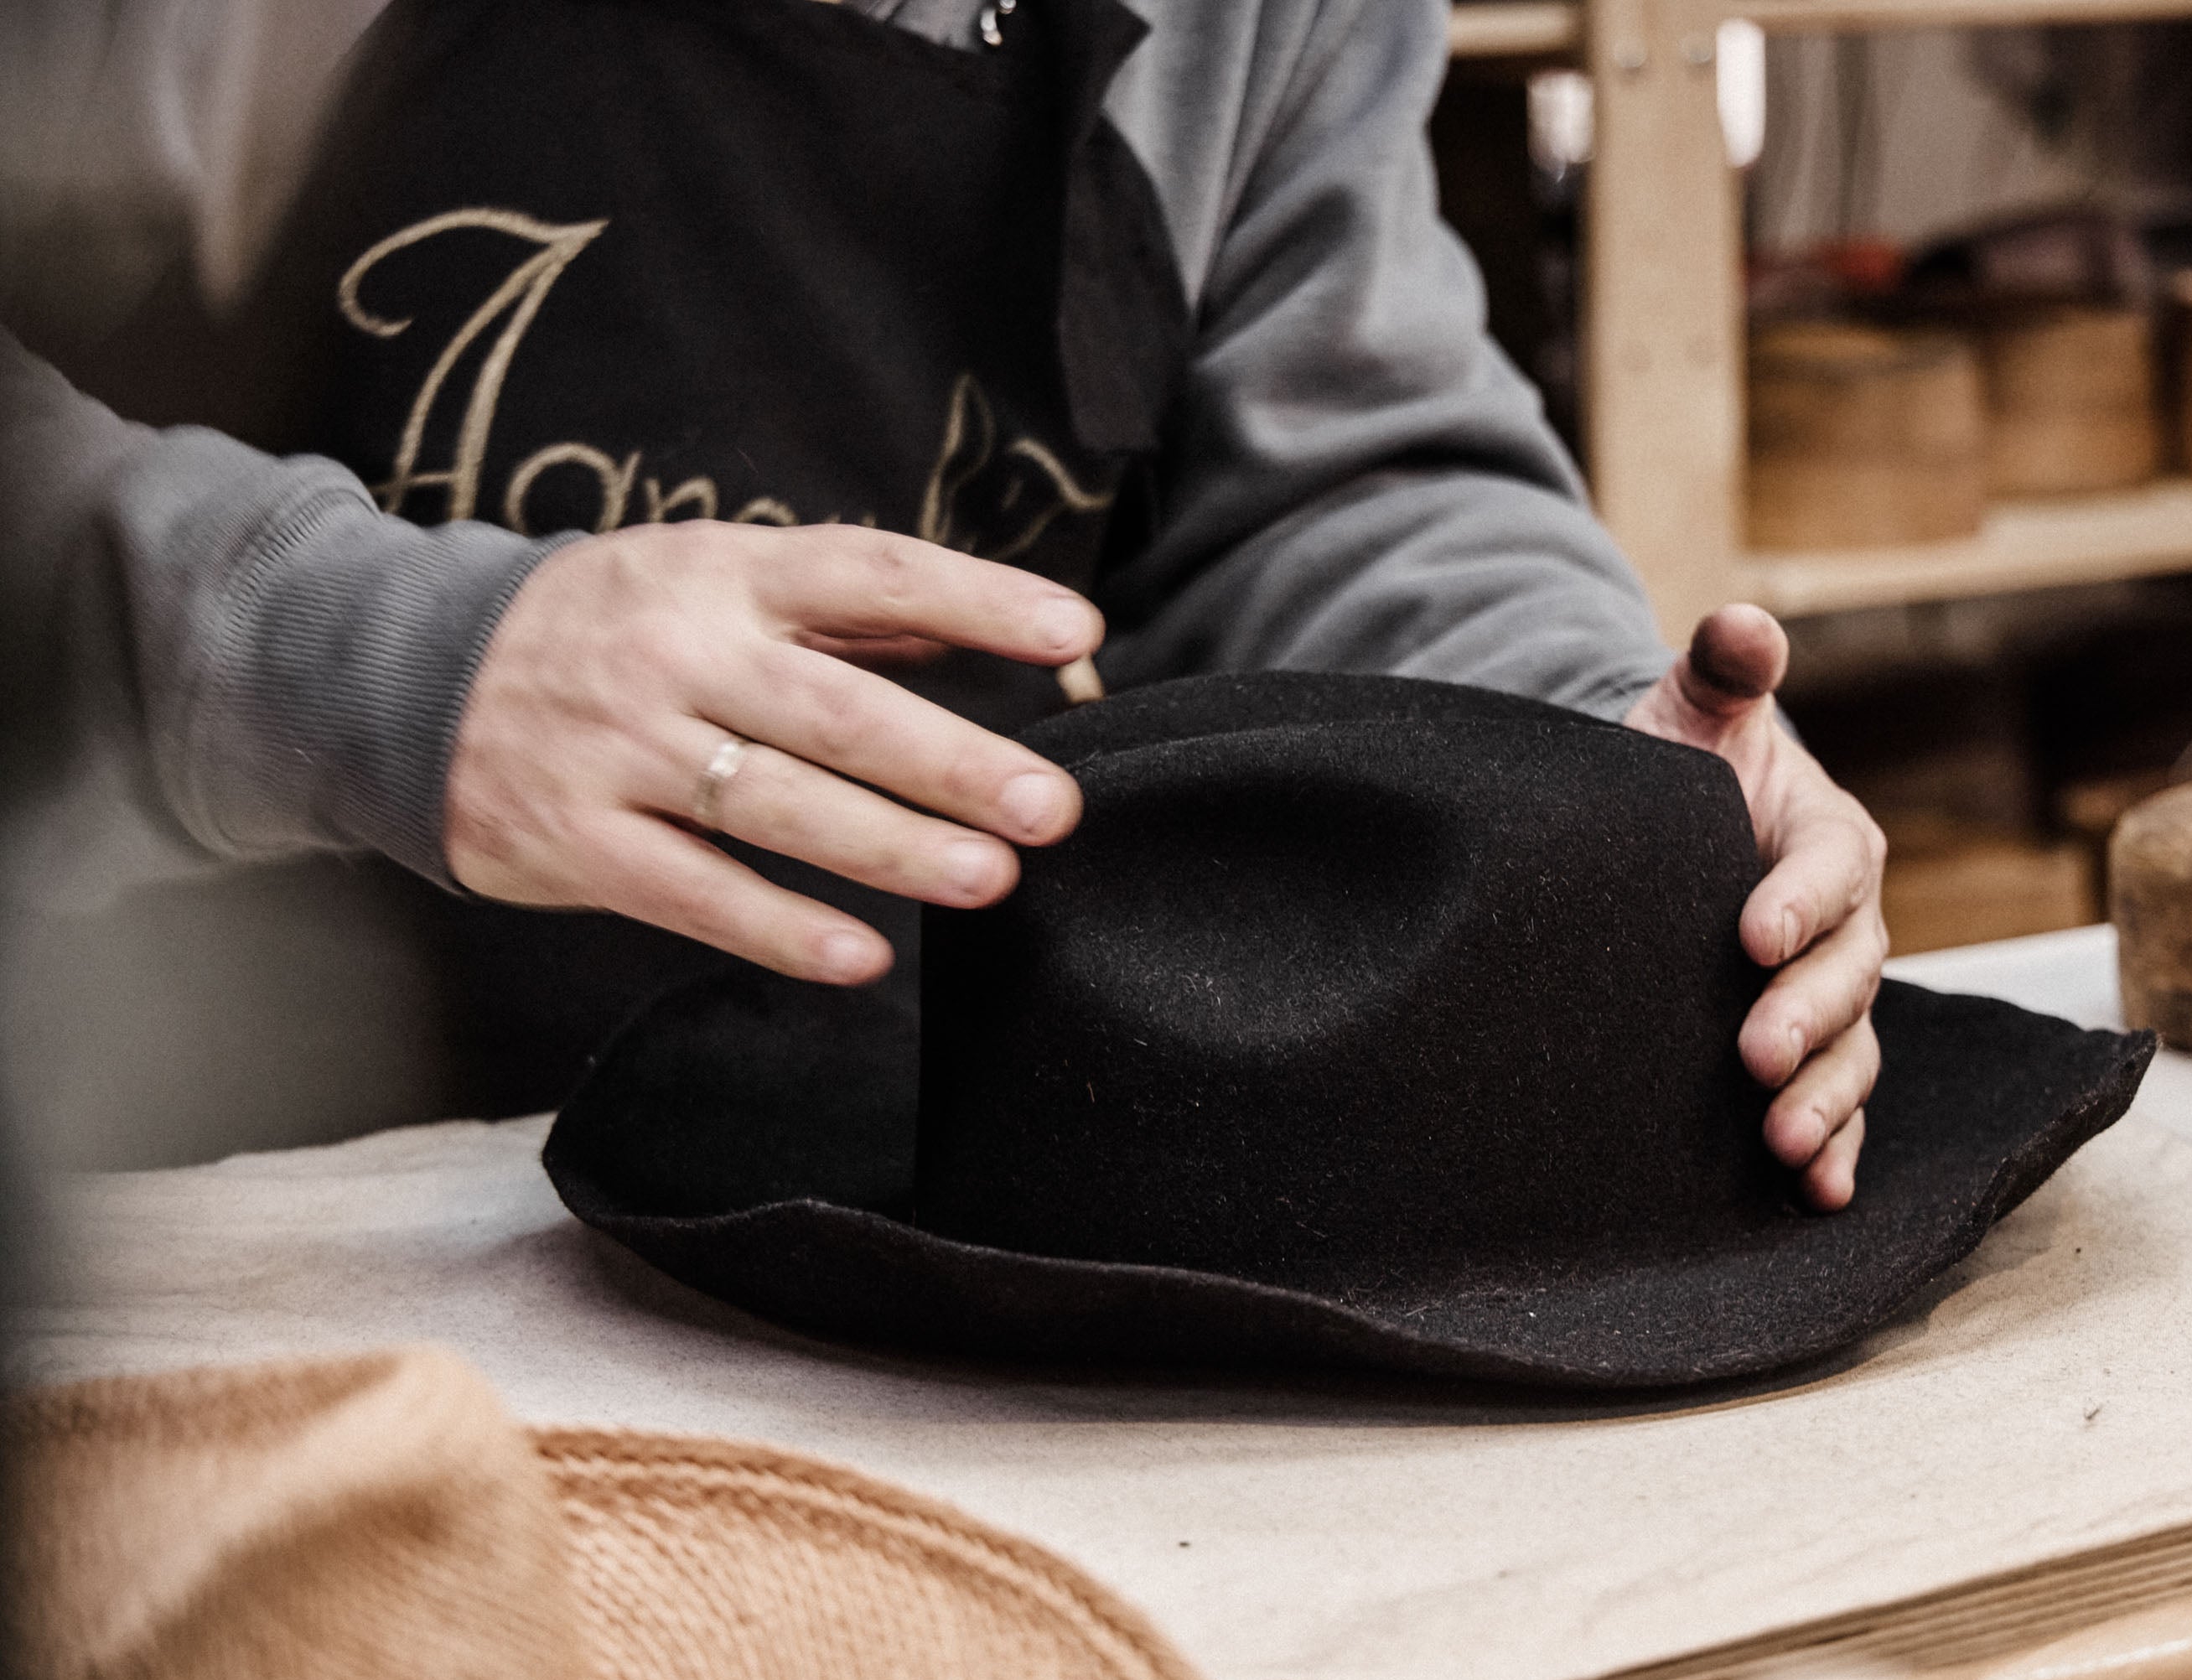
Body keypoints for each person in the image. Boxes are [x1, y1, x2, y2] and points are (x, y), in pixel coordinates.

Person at [0, 0, 1888, 1208]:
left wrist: (1595, 767)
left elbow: (1326, 464)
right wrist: (351, 659)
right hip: (175, 1204)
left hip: (911, 1213)